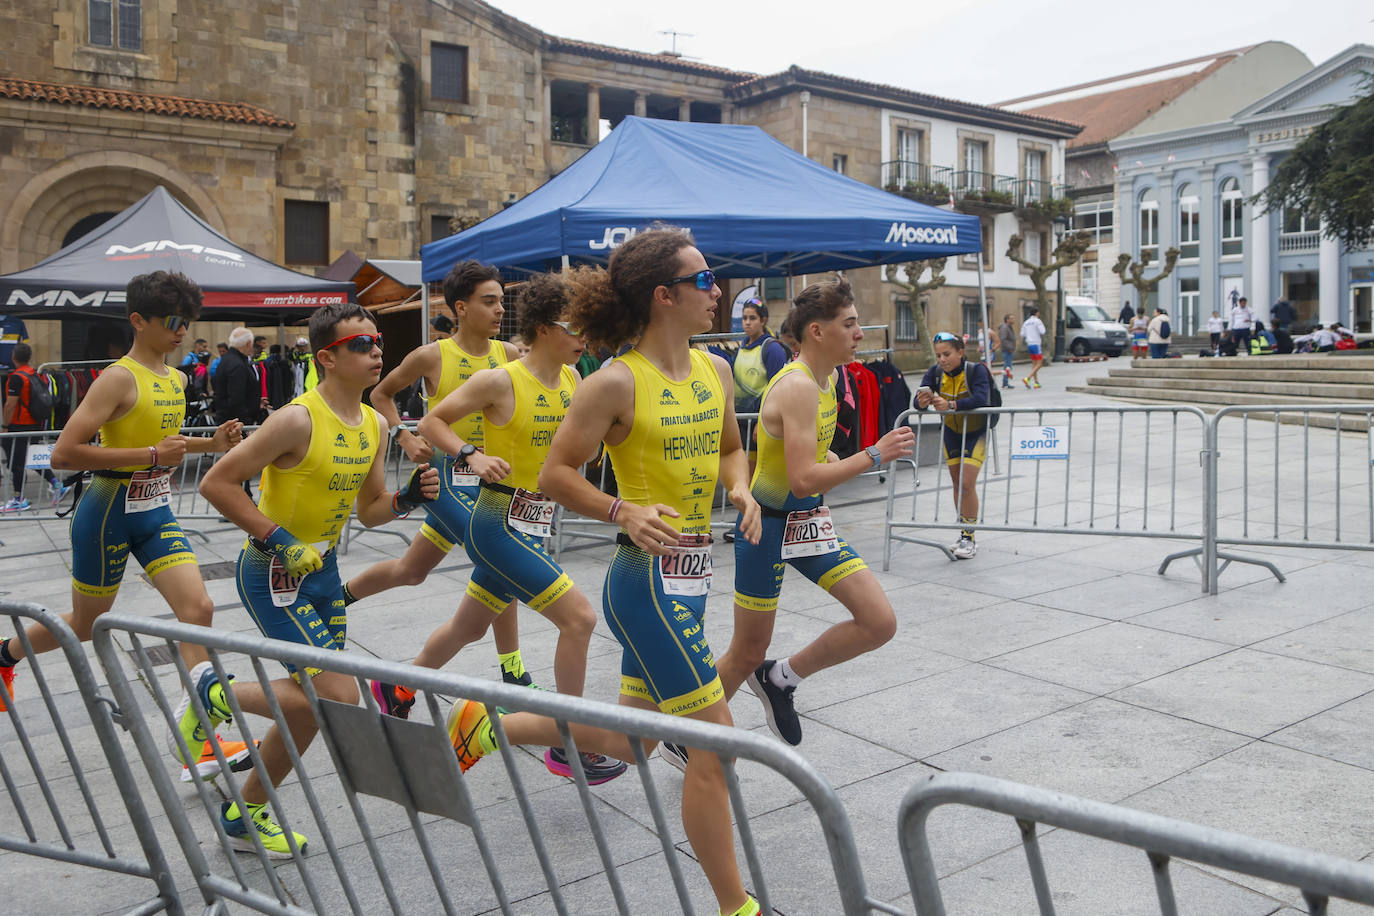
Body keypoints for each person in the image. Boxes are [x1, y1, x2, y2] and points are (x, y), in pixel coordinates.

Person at [438, 228, 764, 916]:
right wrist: (621, 509)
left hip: (694, 572)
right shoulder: (614, 380)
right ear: (664, 296)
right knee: (714, 746)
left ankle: (495, 720)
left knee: (631, 743)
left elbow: (733, 449)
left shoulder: (717, 371)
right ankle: (739, 908)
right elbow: (557, 474)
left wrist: (740, 490)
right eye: (705, 281)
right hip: (644, 583)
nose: (718, 292)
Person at [197, 303, 439, 856]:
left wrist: (407, 497)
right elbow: (217, 483)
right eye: (362, 344)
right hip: (272, 572)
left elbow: (372, 509)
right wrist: (279, 539)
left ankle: (245, 812)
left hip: (323, 572)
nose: (377, 351)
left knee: (313, 705)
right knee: (334, 694)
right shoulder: (296, 419)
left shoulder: (376, 423)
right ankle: (217, 692)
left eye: (377, 342)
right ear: (327, 358)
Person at [374, 274, 627, 785]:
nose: (582, 335)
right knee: (578, 619)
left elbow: (580, 450)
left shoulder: (577, 381)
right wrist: (472, 454)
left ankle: (398, 685)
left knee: (468, 628)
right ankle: (566, 742)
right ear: (541, 328)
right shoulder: (503, 379)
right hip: (497, 523)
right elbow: (433, 423)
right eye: (571, 325)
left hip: (534, 522)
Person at [0, 272, 248, 780]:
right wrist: (151, 455)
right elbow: (66, 452)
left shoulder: (176, 378)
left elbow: (168, 440)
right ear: (138, 321)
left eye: (189, 322)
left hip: (154, 510)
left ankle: (194, 734)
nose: (183, 331)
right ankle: (3, 653)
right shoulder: (118, 377)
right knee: (86, 623)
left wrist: (211, 444)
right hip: (107, 510)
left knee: (198, 607)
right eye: (174, 322)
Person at [714, 279, 914, 749]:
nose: (860, 333)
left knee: (878, 621)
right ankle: (686, 733)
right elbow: (802, 479)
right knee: (746, 651)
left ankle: (781, 678)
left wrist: (832, 460)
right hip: (767, 528)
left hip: (807, 524)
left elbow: (807, 465)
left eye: (858, 322)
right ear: (818, 332)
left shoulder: (831, 378)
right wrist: (875, 453)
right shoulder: (799, 386)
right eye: (850, 324)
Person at [338, 260, 530, 689]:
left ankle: (336, 597)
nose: (500, 310)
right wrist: (404, 436)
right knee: (502, 559)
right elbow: (380, 392)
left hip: (492, 481)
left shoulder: (510, 356)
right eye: (489, 301)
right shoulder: (432, 354)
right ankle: (513, 671)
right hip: (445, 482)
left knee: (411, 571)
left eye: (502, 301)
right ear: (460, 308)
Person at [915, 332, 993, 559]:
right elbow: (918, 398)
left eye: (947, 354)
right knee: (958, 485)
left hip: (975, 433)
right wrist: (920, 402)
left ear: (961, 352)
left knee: (967, 484)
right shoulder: (935, 373)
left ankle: (969, 538)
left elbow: (981, 398)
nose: (942, 359)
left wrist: (951, 404)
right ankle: (963, 534)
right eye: (938, 355)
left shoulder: (976, 370)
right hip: (951, 433)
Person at [2, 343, 67, 510]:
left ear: (13, 357)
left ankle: (19, 498)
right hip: (35, 423)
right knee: (32, 458)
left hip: (19, 424)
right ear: (29, 357)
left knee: (16, 462)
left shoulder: (16, 377)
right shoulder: (34, 374)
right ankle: (57, 485)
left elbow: (10, 404)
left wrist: (4, 425)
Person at [213, 327, 267, 426]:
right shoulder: (238, 365)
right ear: (249, 343)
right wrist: (245, 423)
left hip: (227, 419)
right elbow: (236, 399)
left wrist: (255, 401)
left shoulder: (226, 360)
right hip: (235, 424)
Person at [1020, 306, 1047, 388]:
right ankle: (1028, 378)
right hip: (1036, 343)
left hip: (1029, 344)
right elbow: (1043, 331)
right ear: (1037, 313)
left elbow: (1022, 334)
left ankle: (1036, 382)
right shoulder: (1037, 321)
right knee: (1039, 364)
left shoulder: (1026, 322)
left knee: (1034, 364)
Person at [997, 314, 1016, 388]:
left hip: (1009, 349)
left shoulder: (1009, 327)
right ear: (1007, 320)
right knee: (1007, 366)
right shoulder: (1005, 328)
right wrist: (1010, 348)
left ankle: (1005, 382)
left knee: (1008, 366)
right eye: (1012, 318)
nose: (1013, 320)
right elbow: (1003, 339)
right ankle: (1005, 382)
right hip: (1007, 350)